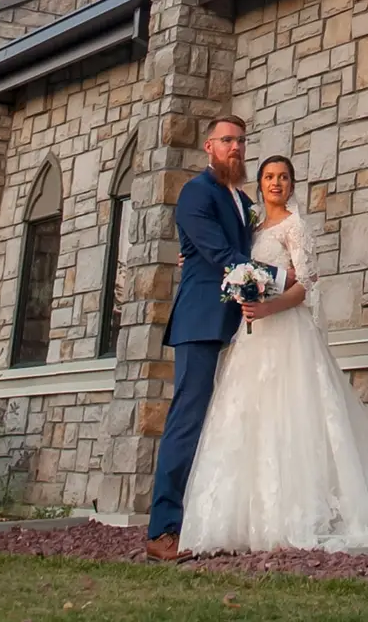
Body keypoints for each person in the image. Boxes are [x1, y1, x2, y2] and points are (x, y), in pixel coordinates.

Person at [177, 154, 368, 555]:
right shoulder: (251, 226)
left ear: (292, 184)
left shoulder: (295, 228)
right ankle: (247, 519)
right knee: (251, 419)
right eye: (270, 177)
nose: (277, 183)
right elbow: (222, 253)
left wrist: (268, 307)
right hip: (253, 338)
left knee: (295, 418)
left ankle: (301, 515)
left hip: (287, 332)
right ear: (259, 184)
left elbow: (305, 286)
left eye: (284, 177)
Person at [145, 114, 254, 563]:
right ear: (209, 146)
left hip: (245, 323)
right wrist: (285, 281)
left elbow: (247, 252)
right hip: (202, 322)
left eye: (241, 141)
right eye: (227, 140)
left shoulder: (243, 199)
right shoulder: (196, 193)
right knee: (187, 421)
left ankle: (217, 517)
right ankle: (162, 529)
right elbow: (223, 256)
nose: (235, 147)